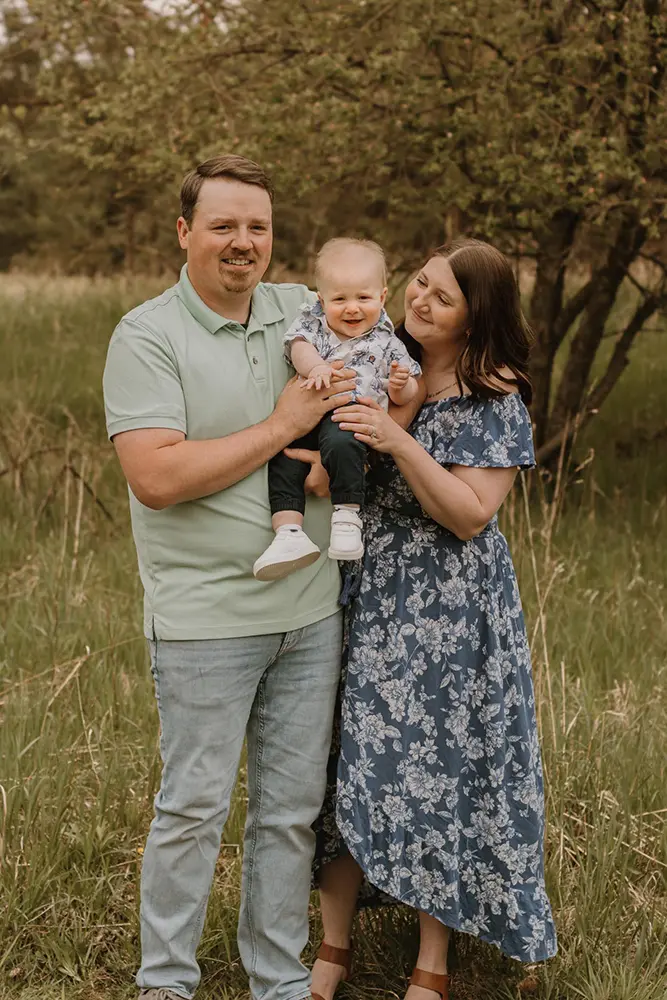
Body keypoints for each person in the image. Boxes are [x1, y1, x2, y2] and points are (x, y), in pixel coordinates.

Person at [102, 153, 357, 1000]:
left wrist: (336, 452)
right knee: (193, 814)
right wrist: (283, 422)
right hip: (205, 619)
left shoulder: (300, 310)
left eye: (257, 226)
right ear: (185, 233)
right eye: (223, 225)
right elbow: (158, 478)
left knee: (287, 816)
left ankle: (276, 981)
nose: (242, 242)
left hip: (311, 612)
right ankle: (165, 983)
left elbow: (392, 326)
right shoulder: (146, 335)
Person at [310, 240, 557, 1000]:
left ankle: (432, 963)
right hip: (372, 591)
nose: (419, 300)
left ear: (473, 316)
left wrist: (396, 440)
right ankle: (331, 949)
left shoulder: (494, 397)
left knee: (434, 774)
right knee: (343, 761)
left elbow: (468, 516)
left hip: (450, 611)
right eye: (418, 282)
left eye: (440, 297)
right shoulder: (384, 366)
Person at [253, 237, 421, 581]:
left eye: (363, 298)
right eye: (340, 299)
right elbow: (297, 347)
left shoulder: (389, 343)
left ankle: (346, 515)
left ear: (382, 297)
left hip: (349, 413)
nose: (352, 309)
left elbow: (409, 396)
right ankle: (288, 532)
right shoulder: (313, 326)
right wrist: (315, 367)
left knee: (345, 446)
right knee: (285, 458)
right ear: (321, 300)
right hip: (308, 410)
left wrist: (401, 386)